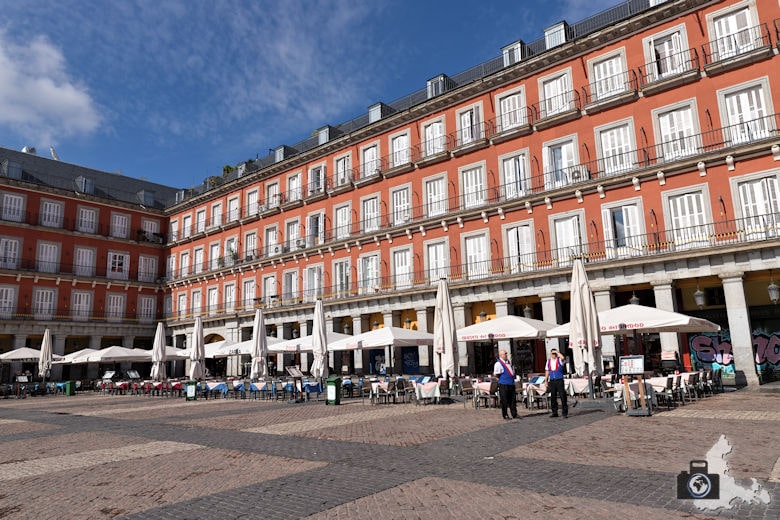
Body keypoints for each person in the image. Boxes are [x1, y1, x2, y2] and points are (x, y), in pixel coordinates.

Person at [493, 349, 518, 420]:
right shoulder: (498, 364)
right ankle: (505, 414)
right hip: (503, 384)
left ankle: (514, 414)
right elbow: (496, 374)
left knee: (512, 400)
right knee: (504, 400)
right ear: (501, 355)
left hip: (511, 383)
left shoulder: (508, 362)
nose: (506, 355)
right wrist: (502, 379)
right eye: (505, 354)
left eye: (506, 353)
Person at [545, 348, 568, 418]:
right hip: (552, 380)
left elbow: (563, 358)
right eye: (552, 353)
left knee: (562, 396)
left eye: (554, 354)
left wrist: (557, 352)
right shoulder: (548, 361)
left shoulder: (559, 360)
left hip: (559, 380)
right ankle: (554, 412)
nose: (553, 355)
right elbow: (547, 371)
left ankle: (564, 413)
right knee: (553, 397)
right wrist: (546, 380)